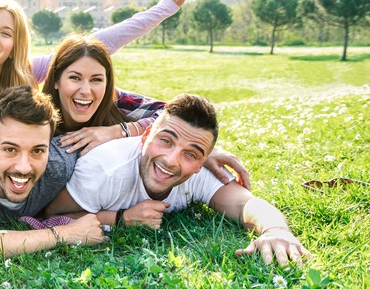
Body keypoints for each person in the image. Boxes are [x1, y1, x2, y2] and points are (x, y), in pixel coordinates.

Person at [44, 93, 308, 266]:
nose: (171, 160)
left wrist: (276, 230)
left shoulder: (200, 172)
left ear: (202, 161)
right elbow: (50, 215)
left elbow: (245, 205)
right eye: (166, 141)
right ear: (146, 135)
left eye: (190, 154)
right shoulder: (102, 170)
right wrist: (120, 218)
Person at [0, 0, 193, 139]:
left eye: (6, 33)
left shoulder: (26, 72)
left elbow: (94, 45)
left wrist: (164, 8)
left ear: (13, 47)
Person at [40, 33, 251, 188]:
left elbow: (167, 114)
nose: (86, 90)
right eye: (74, 78)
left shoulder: (115, 99)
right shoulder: (38, 114)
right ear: (56, 80)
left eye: (96, 80)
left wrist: (117, 131)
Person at [0, 85, 107, 263]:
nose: (24, 167)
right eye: (10, 149)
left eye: (37, 151)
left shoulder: (59, 164)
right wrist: (64, 233)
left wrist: (119, 130)